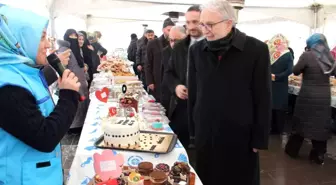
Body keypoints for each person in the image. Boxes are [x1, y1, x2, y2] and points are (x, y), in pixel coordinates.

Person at [187, 1, 271, 184]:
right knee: (207, 177)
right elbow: (194, 93)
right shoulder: (196, 51)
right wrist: (193, 131)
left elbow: (262, 96)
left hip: (240, 134)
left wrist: (259, 138)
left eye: (210, 24)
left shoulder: (256, 50)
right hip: (206, 132)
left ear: (228, 23)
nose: (205, 29)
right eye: (202, 24)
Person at [0, 5, 80, 185]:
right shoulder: (7, 86)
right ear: (16, 38)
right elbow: (45, 137)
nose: (48, 44)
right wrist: (68, 96)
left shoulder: (20, 72)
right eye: (42, 37)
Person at [285, 33, 336, 165]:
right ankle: (318, 155)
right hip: (324, 97)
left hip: (308, 96)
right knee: (320, 126)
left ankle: (292, 151)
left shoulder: (307, 55)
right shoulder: (330, 57)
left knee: (301, 124)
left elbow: (295, 70)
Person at [164, 5, 203, 148]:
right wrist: (176, 86)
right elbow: (169, 73)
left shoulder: (214, 46)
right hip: (182, 107)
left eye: (195, 22)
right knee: (180, 147)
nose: (191, 27)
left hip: (206, 110)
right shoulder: (180, 47)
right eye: (188, 23)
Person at [58, 29, 89, 132]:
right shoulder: (64, 49)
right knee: (75, 105)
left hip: (80, 81)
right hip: (72, 83)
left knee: (81, 105)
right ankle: (72, 128)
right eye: (71, 37)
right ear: (66, 37)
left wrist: (84, 66)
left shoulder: (75, 49)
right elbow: (61, 68)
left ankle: (79, 125)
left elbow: (79, 62)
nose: (75, 39)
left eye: (75, 37)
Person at [267, 34, 293, 135]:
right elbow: (290, 70)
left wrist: (273, 76)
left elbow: (289, 70)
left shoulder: (272, 54)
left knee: (273, 105)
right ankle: (278, 129)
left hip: (274, 83)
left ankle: (273, 128)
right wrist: (277, 76)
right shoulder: (286, 54)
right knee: (278, 106)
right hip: (279, 83)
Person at [146, 18, 175, 101]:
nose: (170, 32)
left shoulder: (176, 43)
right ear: (163, 30)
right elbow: (148, 63)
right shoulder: (153, 43)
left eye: (172, 30)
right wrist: (150, 81)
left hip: (170, 80)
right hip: (157, 79)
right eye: (168, 30)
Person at [161, 26, 187, 119]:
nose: (173, 44)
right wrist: (176, 86)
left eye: (176, 40)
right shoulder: (167, 51)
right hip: (173, 98)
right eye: (171, 40)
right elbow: (168, 72)